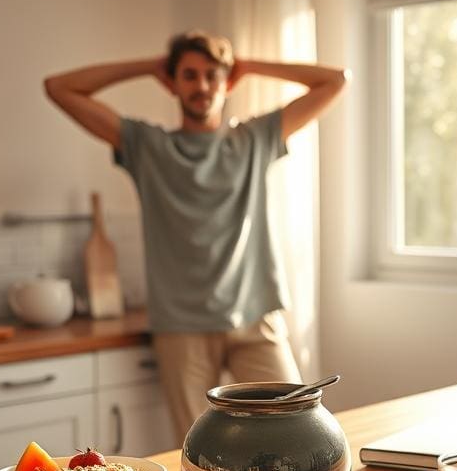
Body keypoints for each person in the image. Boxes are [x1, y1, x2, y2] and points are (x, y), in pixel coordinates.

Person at [44, 30, 348, 439]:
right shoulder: (147, 145)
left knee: (296, 432)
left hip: (254, 316)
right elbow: (59, 88)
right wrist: (149, 66)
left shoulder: (253, 139)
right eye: (189, 75)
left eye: (212, 75)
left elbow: (335, 81)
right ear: (172, 83)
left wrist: (248, 65)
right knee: (201, 455)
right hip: (182, 328)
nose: (202, 85)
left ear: (227, 82)